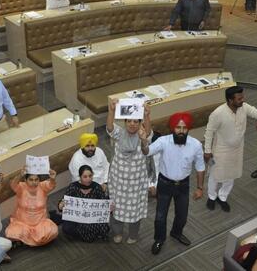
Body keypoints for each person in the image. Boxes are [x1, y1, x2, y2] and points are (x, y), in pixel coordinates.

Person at [139, 112, 205, 255]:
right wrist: (144, 141)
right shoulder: (164, 141)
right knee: (160, 217)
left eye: (184, 128)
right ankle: (159, 239)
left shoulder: (196, 145)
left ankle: (176, 233)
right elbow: (146, 152)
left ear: (188, 129)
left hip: (183, 185)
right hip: (164, 184)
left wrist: (200, 188)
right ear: (172, 128)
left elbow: (200, 167)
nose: (181, 131)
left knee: (182, 215)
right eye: (178, 128)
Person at [106, 98, 152, 244]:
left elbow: (147, 144)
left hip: (136, 182)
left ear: (139, 123)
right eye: (129, 121)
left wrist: (147, 116)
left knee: (135, 210)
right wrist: (112, 110)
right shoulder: (119, 133)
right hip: (118, 180)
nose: (132, 124)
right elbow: (109, 128)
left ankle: (133, 234)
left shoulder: (142, 133)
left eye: (136, 121)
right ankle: (117, 232)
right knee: (116, 208)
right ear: (124, 122)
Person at [5, 167, 59, 246]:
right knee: (10, 233)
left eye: (36, 179)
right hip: (23, 223)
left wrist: (52, 178)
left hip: (40, 222)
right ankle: (35, 240)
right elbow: (13, 184)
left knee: (53, 230)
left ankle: (26, 240)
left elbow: (51, 185)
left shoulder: (42, 186)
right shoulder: (21, 187)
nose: (34, 182)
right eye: (31, 179)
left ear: (39, 180)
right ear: (25, 180)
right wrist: (20, 175)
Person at [58, 165, 110, 242]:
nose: (88, 179)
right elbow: (63, 201)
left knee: (105, 228)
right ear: (80, 177)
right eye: (85, 177)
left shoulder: (96, 187)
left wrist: (109, 206)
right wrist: (61, 205)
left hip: (92, 217)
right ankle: (81, 233)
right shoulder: (73, 187)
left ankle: (84, 233)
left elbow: (104, 203)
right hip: (77, 218)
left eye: (90, 176)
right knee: (67, 228)